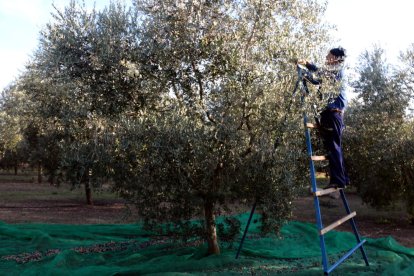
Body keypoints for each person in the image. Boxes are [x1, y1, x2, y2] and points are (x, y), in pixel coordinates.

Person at [297, 47, 349, 189]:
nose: (326, 57)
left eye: (329, 55)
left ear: (335, 58)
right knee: (334, 147)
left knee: (334, 147)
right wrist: (308, 65)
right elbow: (317, 79)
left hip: (333, 113)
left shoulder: (335, 71)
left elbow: (318, 76)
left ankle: (338, 182)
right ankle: (342, 179)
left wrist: (305, 68)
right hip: (332, 114)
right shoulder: (333, 71)